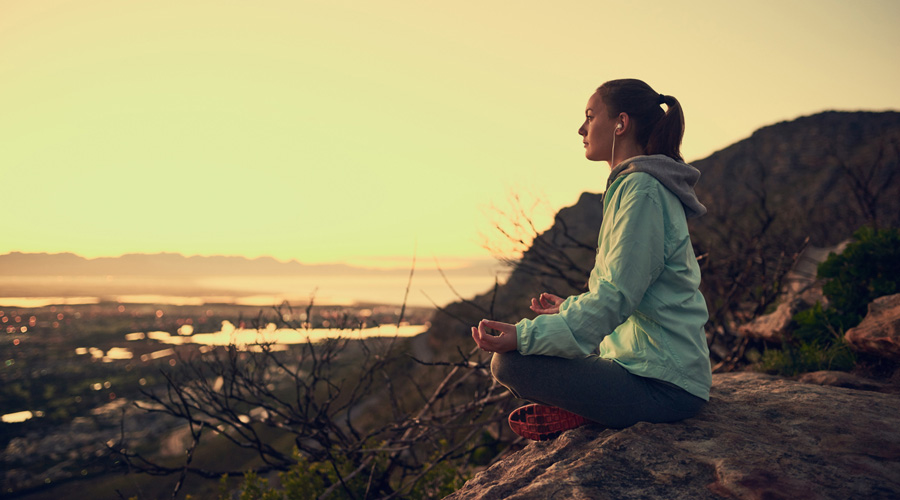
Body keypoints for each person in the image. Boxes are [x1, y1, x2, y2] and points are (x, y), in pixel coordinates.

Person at [471, 79, 712, 441]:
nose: (582, 128)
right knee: (528, 354)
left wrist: (523, 335)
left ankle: (595, 408)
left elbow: (615, 297)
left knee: (509, 362)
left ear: (621, 123)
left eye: (590, 116)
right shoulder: (636, 187)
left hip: (664, 386)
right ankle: (597, 405)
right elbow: (632, 294)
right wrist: (569, 310)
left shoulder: (642, 190)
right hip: (650, 370)